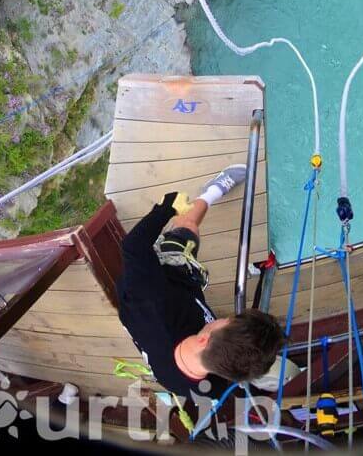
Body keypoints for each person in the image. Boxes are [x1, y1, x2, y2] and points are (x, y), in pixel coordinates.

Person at [117, 163, 285, 401]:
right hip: (183, 297)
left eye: (225, 321)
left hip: (160, 279)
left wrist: (166, 208)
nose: (224, 318)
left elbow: (133, 247)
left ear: (204, 338)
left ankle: (211, 192)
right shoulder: (210, 387)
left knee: (187, 228)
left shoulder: (149, 300)